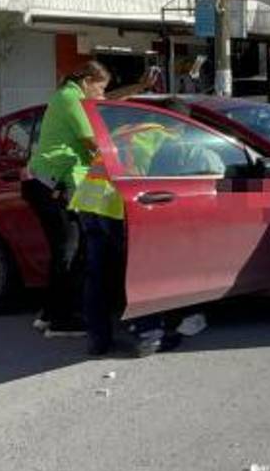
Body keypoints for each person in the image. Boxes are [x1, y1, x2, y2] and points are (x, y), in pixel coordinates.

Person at [69, 119, 185, 357]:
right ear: (179, 126)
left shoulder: (125, 130)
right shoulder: (166, 138)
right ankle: (149, 335)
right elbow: (173, 180)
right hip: (116, 206)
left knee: (96, 274)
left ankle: (97, 340)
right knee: (141, 270)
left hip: (89, 202)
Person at [23, 60, 109, 336]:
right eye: (101, 88)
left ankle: (49, 314)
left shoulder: (68, 95)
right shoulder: (71, 98)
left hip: (48, 183)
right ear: (87, 82)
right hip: (53, 185)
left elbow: (108, 103)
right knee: (69, 253)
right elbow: (90, 142)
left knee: (65, 251)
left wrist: (139, 87)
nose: (102, 95)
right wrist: (119, 157)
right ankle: (62, 321)